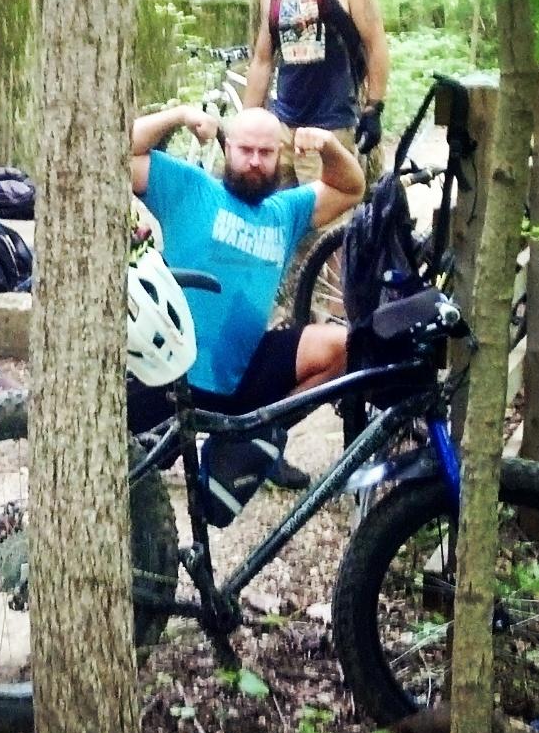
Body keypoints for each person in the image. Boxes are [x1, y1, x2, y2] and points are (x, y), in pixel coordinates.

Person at [130, 104, 365, 488]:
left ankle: (254, 445)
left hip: (242, 379)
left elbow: (350, 188)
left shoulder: (286, 211)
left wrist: (327, 146)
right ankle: (171, 438)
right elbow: (117, 153)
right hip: (170, 378)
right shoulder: (188, 186)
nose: (255, 162)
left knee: (342, 345)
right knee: (137, 467)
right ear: (227, 149)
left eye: (266, 152)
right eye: (245, 150)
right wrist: (179, 116)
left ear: (279, 155)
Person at [242, 0, 390, 187]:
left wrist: (374, 107)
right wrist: (247, 124)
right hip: (281, 131)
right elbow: (262, 61)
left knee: (327, 230)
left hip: (330, 131)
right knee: (276, 221)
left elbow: (375, 44)